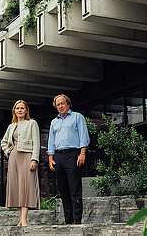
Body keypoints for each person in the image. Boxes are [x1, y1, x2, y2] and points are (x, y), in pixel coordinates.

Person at [47, 94, 90, 225]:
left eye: (62, 103)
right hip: (58, 156)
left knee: (74, 188)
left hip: (73, 154)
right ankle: (68, 219)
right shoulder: (54, 122)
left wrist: (82, 153)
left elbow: (84, 135)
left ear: (68, 104)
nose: (60, 106)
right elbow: (51, 140)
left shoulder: (77, 117)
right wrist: (50, 157)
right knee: (63, 189)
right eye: (58, 104)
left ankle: (77, 218)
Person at [1, 100, 40, 226]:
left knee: (26, 186)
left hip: (27, 156)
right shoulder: (11, 126)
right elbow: (3, 142)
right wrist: (8, 150)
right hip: (14, 158)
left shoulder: (32, 123)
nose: (19, 110)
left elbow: (36, 143)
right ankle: (21, 219)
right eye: (17, 108)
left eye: (22, 108)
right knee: (17, 187)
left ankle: (24, 219)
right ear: (14, 111)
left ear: (26, 110)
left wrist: (34, 159)